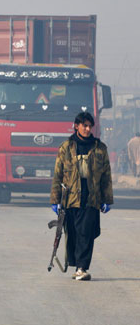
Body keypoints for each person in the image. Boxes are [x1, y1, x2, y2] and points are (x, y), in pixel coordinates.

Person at [50, 112, 113, 281]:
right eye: (84, 125)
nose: (87, 129)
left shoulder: (100, 148)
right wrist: (55, 200)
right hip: (70, 198)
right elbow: (57, 175)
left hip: (91, 197)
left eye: (89, 126)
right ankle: (76, 264)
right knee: (74, 233)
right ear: (76, 126)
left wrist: (107, 200)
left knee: (86, 232)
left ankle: (82, 268)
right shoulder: (66, 148)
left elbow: (106, 176)